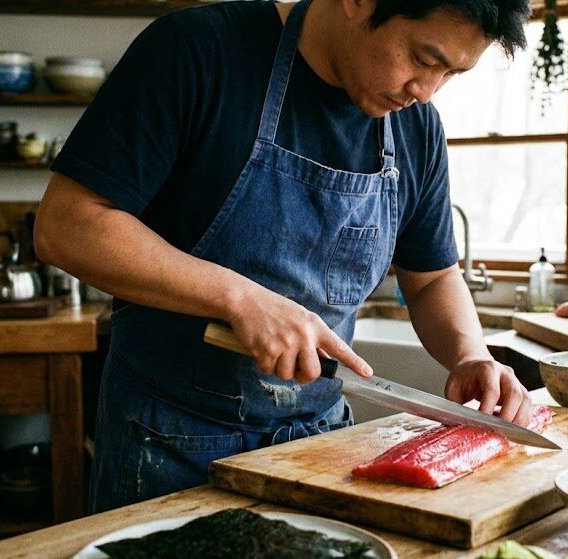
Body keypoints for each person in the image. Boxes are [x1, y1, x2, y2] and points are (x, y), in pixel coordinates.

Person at [34, 0, 534, 513]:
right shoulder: (195, 51)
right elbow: (68, 225)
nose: (426, 91)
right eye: (423, 59)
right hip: (168, 441)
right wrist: (240, 299)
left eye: (451, 73)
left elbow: (430, 279)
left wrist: (470, 355)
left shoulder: (416, 127)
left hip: (318, 445)